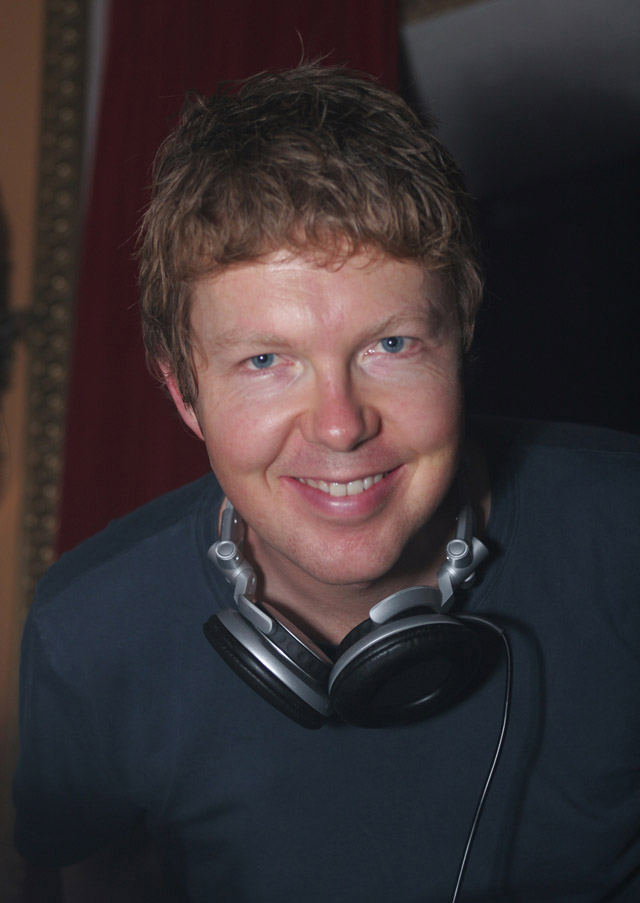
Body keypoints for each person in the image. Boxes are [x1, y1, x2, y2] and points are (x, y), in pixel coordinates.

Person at [13, 65, 640, 902]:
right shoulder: (86, 633)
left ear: (460, 344)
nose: (340, 425)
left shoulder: (624, 535)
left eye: (392, 345)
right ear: (185, 394)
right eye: (265, 360)